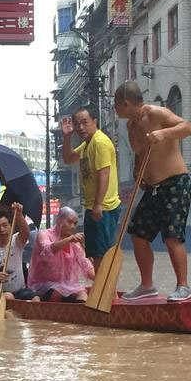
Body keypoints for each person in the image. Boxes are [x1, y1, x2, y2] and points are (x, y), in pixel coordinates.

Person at [114, 80, 191, 301]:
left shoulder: (157, 114)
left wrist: (164, 134)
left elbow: (188, 126)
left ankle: (184, 286)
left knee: (171, 236)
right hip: (152, 188)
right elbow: (139, 154)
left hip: (175, 183)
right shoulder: (131, 127)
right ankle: (147, 285)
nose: (114, 109)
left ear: (125, 103)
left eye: (115, 104)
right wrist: (137, 172)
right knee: (138, 233)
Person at [60, 106, 121, 271]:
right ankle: (104, 292)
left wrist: (98, 204)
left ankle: (106, 293)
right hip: (93, 206)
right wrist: (66, 137)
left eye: (84, 123)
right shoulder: (87, 144)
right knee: (96, 253)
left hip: (104, 207)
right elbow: (68, 158)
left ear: (95, 121)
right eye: (77, 124)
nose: (80, 128)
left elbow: (104, 174)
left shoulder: (99, 142)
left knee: (103, 253)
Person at [27, 207, 95, 302]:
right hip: (43, 284)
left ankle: (80, 315)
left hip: (67, 285)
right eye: (69, 222)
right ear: (59, 220)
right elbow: (47, 250)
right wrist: (69, 240)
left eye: (75, 223)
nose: (72, 226)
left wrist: (103, 279)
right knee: (57, 293)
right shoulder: (44, 234)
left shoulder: (75, 244)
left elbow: (87, 267)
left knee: (82, 293)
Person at [0, 203, 40, 302]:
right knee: (8, 297)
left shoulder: (16, 240)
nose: (2, 230)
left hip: (19, 291)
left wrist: (18, 214)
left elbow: (25, 232)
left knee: (36, 298)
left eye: (5, 225)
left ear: (10, 226)